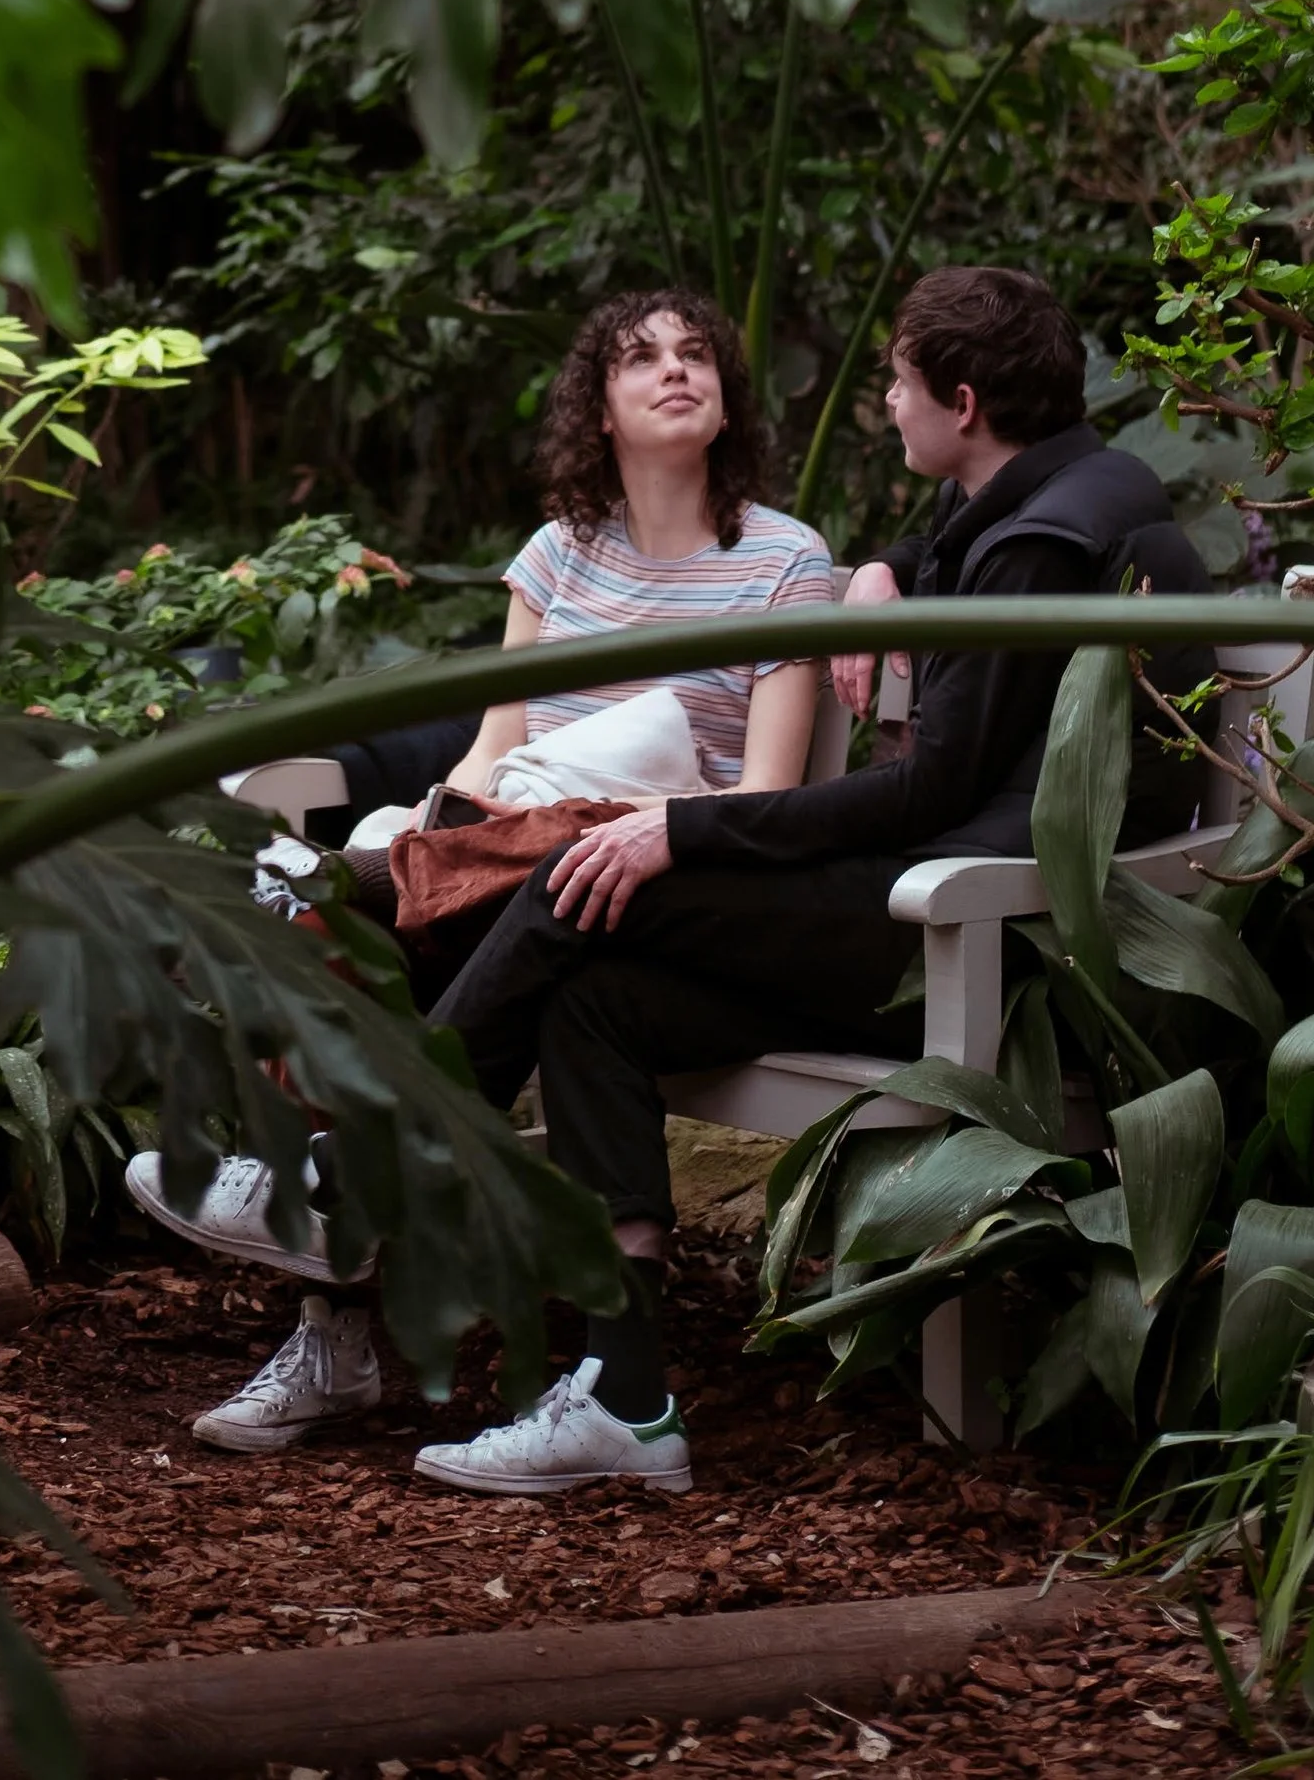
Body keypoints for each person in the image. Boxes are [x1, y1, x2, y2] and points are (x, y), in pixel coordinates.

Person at [394, 262, 1210, 1496]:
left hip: (979, 934)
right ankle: (627, 1402)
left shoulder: (1044, 541)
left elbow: (927, 794)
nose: (887, 404)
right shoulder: (1046, 495)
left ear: (965, 401)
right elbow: (945, 555)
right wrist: (884, 567)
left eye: (897, 384)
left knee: (592, 873)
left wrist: (691, 831)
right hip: (938, 905)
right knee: (593, 989)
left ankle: (377, 1157)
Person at [124, 285, 834, 1463]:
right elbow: (491, 754)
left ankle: (341, 1190)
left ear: (725, 396)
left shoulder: (782, 560)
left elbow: (760, 794)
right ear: (598, 406)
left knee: (387, 906)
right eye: (643, 358)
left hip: (655, 872)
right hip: (527, 860)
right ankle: (340, 1327)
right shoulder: (558, 557)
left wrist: (600, 812)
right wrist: (440, 819)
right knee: (354, 948)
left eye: (697, 355)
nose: (675, 371)